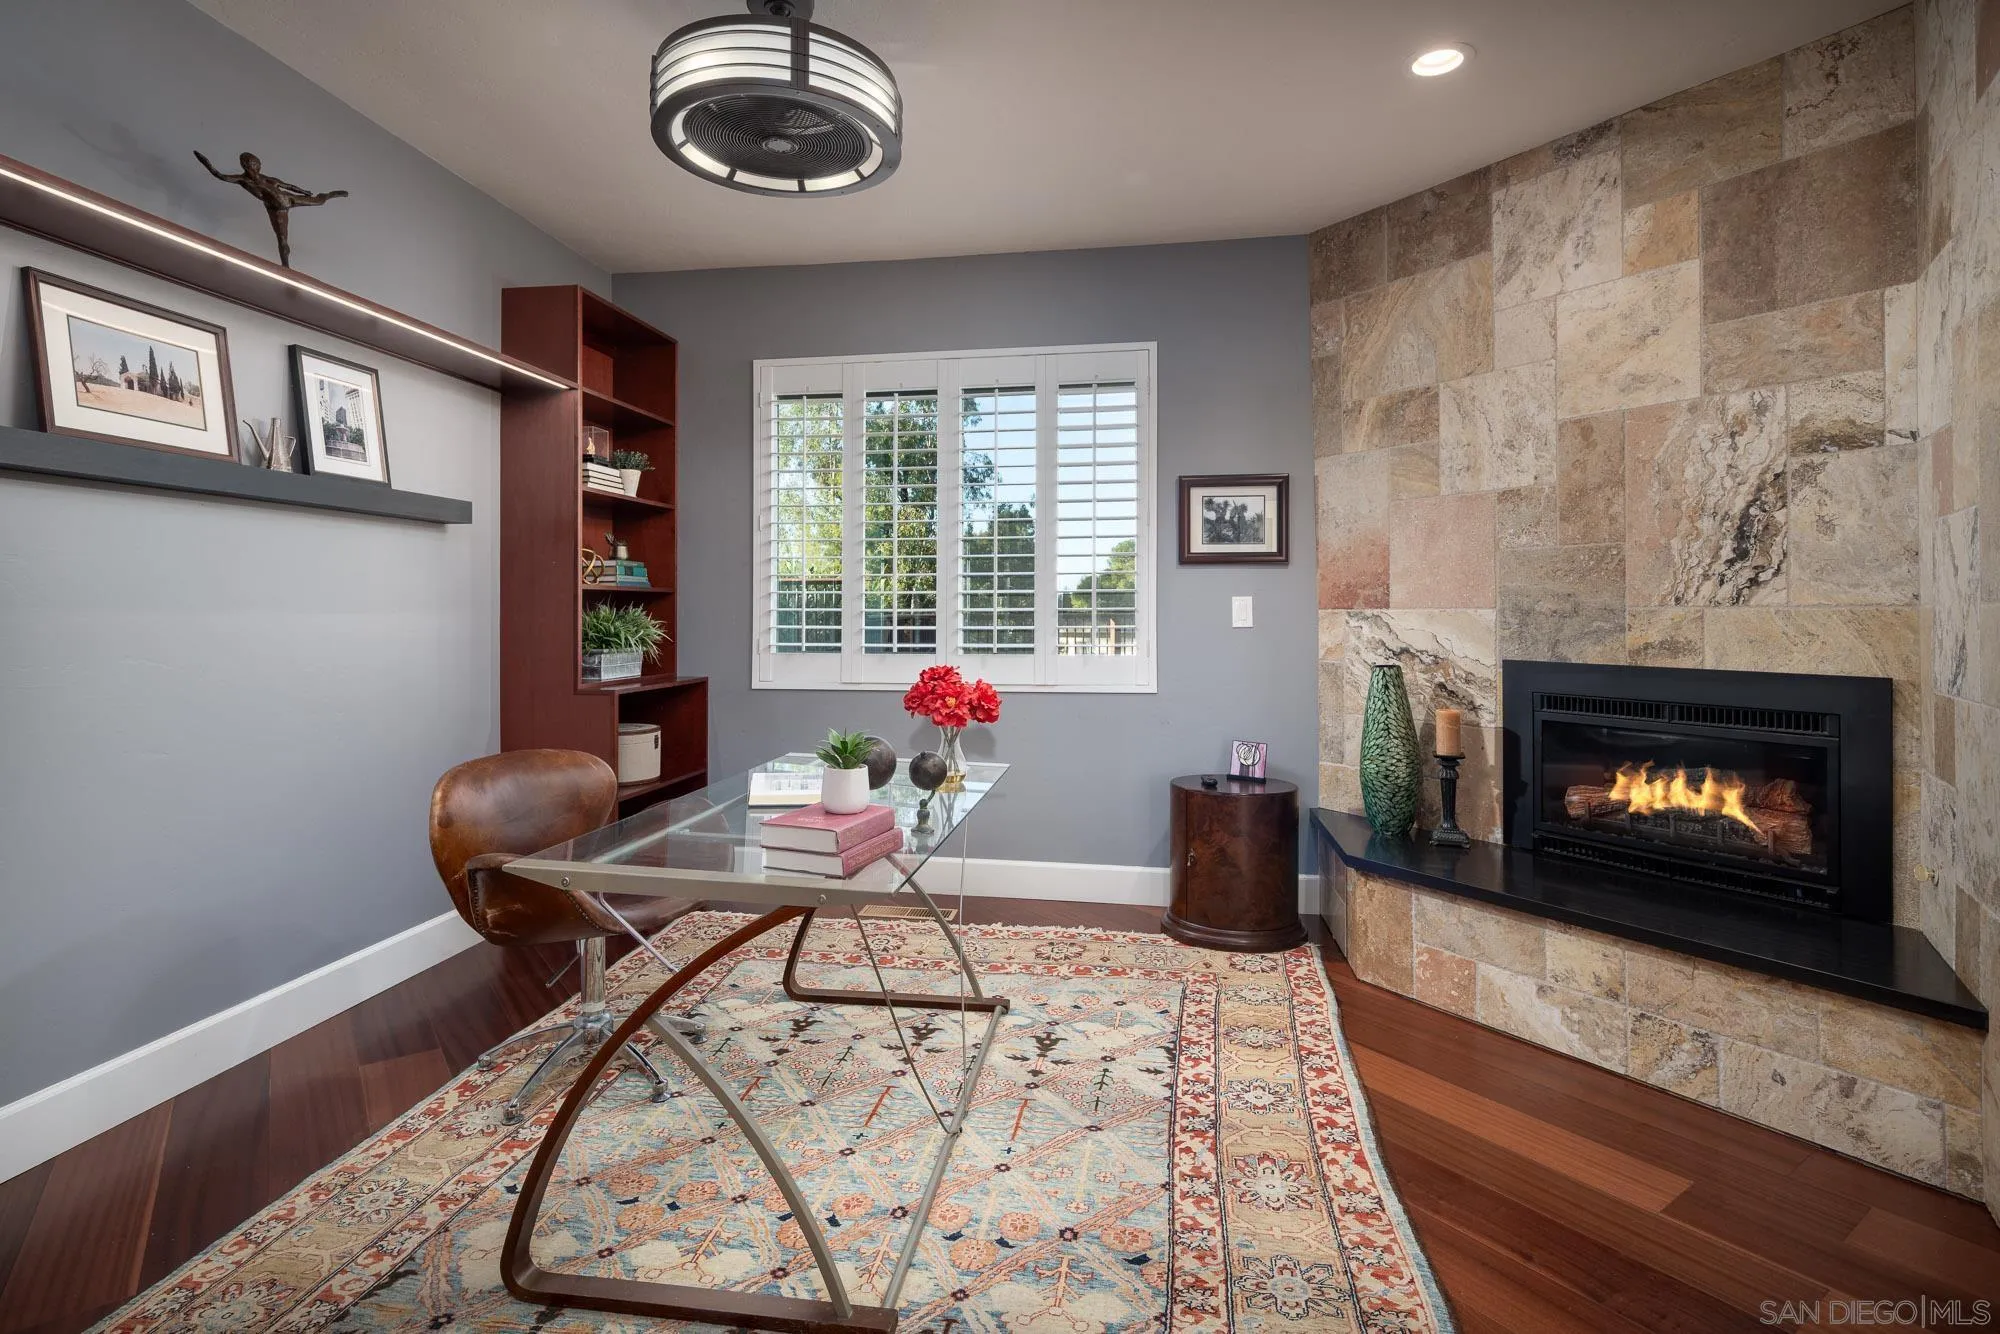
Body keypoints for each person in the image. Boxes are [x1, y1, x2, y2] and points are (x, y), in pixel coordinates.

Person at [193, 151, 347, 267]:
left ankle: (331, 194)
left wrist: (303, 191)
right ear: (246, 166)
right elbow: (220, 175)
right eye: (254, 164)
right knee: (282, 239)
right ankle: (286, 267)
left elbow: (287, 186)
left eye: (258, 164)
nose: (258, 167)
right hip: (276, 209)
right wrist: (206, 163)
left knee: (320, 201)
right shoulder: (242, 180)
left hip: (288, 199)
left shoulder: (266, 178)